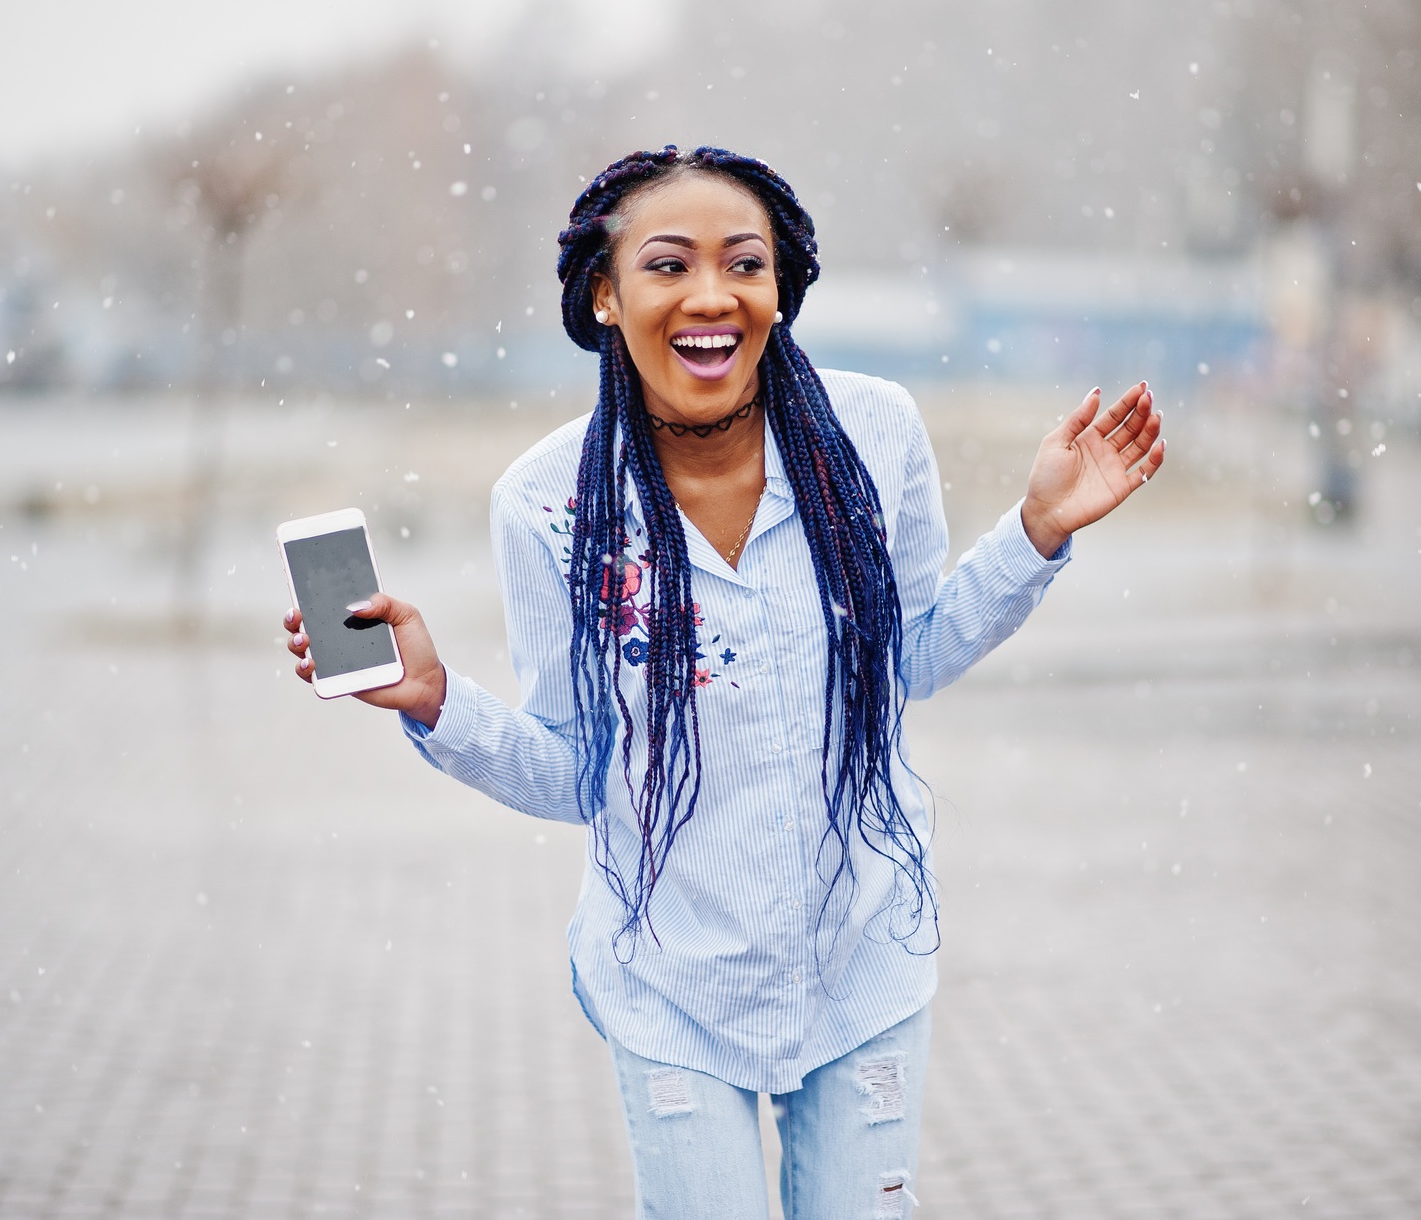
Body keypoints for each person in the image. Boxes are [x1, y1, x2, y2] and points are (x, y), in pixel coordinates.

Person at [283, 145, 1165, 1218]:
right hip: (669, 980)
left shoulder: (873, 434)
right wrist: (435, 699)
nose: (711, 296)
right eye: (667, 265)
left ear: (779, 287)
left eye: (743, 263)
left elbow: (911, 656)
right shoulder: (548, 502)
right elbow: (576, 773)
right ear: (604, 294)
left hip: (861, 964)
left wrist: (1033, 534)